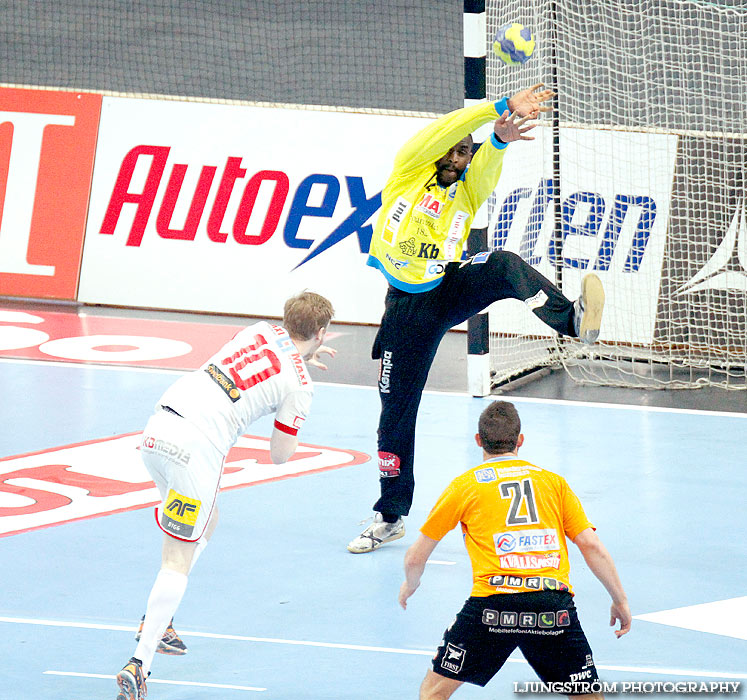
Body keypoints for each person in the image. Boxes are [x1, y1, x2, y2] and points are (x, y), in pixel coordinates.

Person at [347, 85, 605, 554]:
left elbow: (487, 164)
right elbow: (440, 134)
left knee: (504, 264)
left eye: (466, 151)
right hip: (406, 311)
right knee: (394, 418)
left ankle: (571, 323)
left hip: (446, 289)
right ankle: (390, 515)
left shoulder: (468, 191)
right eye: (453, 148)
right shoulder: (408, 173)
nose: (456, 154)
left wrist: (500, 140)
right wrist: (498, 108)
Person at [115, 291, 336, 700]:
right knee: (176, 558)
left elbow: (261, 363)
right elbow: (279, 455)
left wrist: (297, 365)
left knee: (208, 519)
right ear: (321, 333)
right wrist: (297, 397)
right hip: (194, 450)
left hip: (157, 427)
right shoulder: (300, 384)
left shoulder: (259, 330)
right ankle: (140, 660)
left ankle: (158, 622)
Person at [398, 400, 630, 700]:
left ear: (478, 440)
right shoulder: (553, 483)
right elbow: (591, 545)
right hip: (551, 607)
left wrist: (410, 584)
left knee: (433, 693)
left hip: (492, 607)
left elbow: (415, 556)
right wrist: (619, 599)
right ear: (520, 441)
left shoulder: (465, 486)